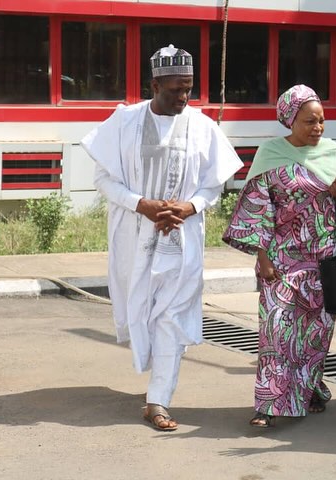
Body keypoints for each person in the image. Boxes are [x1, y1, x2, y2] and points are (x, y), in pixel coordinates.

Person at [81, 45, 243, 431]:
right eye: (174, 90)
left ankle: (158, 399)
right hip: (133, 235)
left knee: (172, 314)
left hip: (182, 236)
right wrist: (142, 204)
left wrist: (188, 208)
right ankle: (157, 380)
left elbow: (213, 185)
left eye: (188, 89)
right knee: (140, 308)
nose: (183, 98)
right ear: (154, 85)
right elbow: (103, 178)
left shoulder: (203, 125)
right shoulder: (125, 122)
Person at [223, 85, 336, 428]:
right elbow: (256, 209)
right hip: (281, 259)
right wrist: (263, 256)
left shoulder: (333, 152)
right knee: (276, 332)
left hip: (324, 260)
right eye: (309, 122)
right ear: (290, 120)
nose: (318, 128)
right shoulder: (270, 154)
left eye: (322, 121)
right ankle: (268, 405)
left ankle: (310, 387)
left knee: (315, 333)